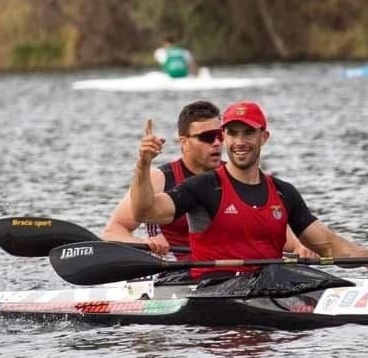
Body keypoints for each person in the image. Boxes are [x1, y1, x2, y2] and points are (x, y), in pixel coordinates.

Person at [127, 101, 368, 281]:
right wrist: (143, 164)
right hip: (215, 293)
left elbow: (329, 245)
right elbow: (146, 210)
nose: (239, 142)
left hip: (270, 285)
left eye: (248, 133)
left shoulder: (283, 193)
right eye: (232, 134)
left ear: (263, 138)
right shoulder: (203, 187)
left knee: (309, 279)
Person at [102, 100, 314, 260]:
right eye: (206, 137)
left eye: (220, 135)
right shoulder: (160, 178)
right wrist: (143, 244)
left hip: (226, 276)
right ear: (183, 142)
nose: (216, 143)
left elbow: (268, 223)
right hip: (171, 274)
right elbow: (113, 231)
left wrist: (298, 247)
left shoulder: (235, 174)